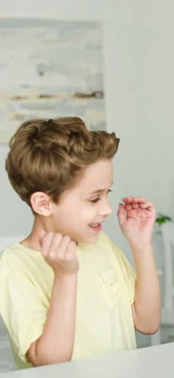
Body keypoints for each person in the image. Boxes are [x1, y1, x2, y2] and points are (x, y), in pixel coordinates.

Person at [0, 117, 160, 369]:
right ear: (43, 204)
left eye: (108, 194)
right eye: (94, 198)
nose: (107, 209)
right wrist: (65, 277)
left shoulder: (99, 243)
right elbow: (50, 362)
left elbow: (147, 323)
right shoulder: (16, 264)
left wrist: (141, 245)